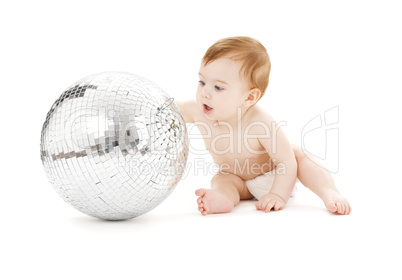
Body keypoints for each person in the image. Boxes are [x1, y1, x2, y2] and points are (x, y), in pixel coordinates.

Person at [176, 36, 351, 215]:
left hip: (278, 177)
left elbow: (286, 162)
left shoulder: (260, 122)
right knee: (222, 178)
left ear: (249, 98)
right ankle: (224, 199)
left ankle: (329, 192)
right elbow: (172, 111)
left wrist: (277, 194)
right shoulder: (196, 110)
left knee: (297, 155)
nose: (204, 93)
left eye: (218, 88)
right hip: (240, 183)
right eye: (202, 82)